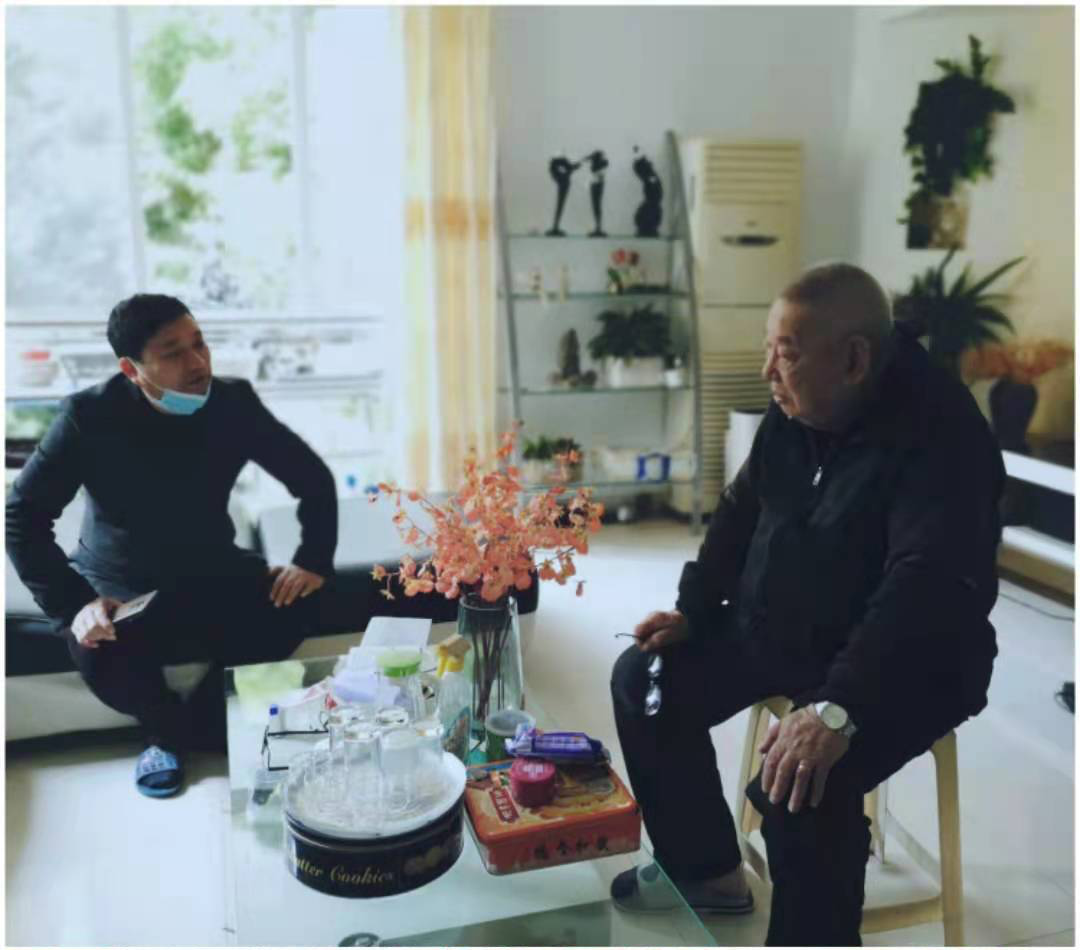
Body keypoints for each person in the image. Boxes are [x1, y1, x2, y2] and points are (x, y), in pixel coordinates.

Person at [610, 263, 1004, 946]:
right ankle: (706, 874)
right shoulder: (801, 405)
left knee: (799, 787)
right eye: (768, 349)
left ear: (854, 360)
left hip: (908, 660)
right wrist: (695, 609)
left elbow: (924, 588)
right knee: (647, 678)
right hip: (786, 627)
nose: (767, 371)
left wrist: (837, 707)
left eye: (785, 355)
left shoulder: (943, 434)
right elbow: (742, 507)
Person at [6, 294, 338, 798]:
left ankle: (194, 727)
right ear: (132, 368)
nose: (198, 361)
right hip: (120, 582)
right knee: (94, 647)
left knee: (303, 600)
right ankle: (169, 732)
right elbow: (21, 516)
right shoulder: (87, 416)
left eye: (199, 343)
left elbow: (311, 477)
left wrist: (312, 559)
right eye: (173, 352)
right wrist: (76, 605)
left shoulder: (234, 402)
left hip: (212, 568)